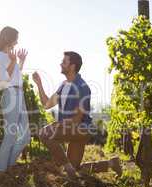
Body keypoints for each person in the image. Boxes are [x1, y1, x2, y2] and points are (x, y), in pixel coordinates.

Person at [32, 51, 122, 179]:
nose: (61, 64)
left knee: (44, 133)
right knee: (76, 168)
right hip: (71, 128)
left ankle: (68, 168)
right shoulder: (63, 85)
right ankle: (111, 164)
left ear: (72, 66)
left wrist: (58, 124)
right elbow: (46, 104)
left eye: (64, 62)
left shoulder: (82, 87)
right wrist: (39, 84)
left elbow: (77, 119)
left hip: (81, 129)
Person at [0, 26, 30, 172]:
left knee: (26, 136)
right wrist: (13, 61)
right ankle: (2, 171)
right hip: (10, 94)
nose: (17, 42)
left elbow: (16, 74)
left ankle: (8, 165)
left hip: (19, 94)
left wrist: (20, 61)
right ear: (8, 38)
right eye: (16, 39)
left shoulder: (9, 56)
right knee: (10, 135)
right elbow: (3, 80)